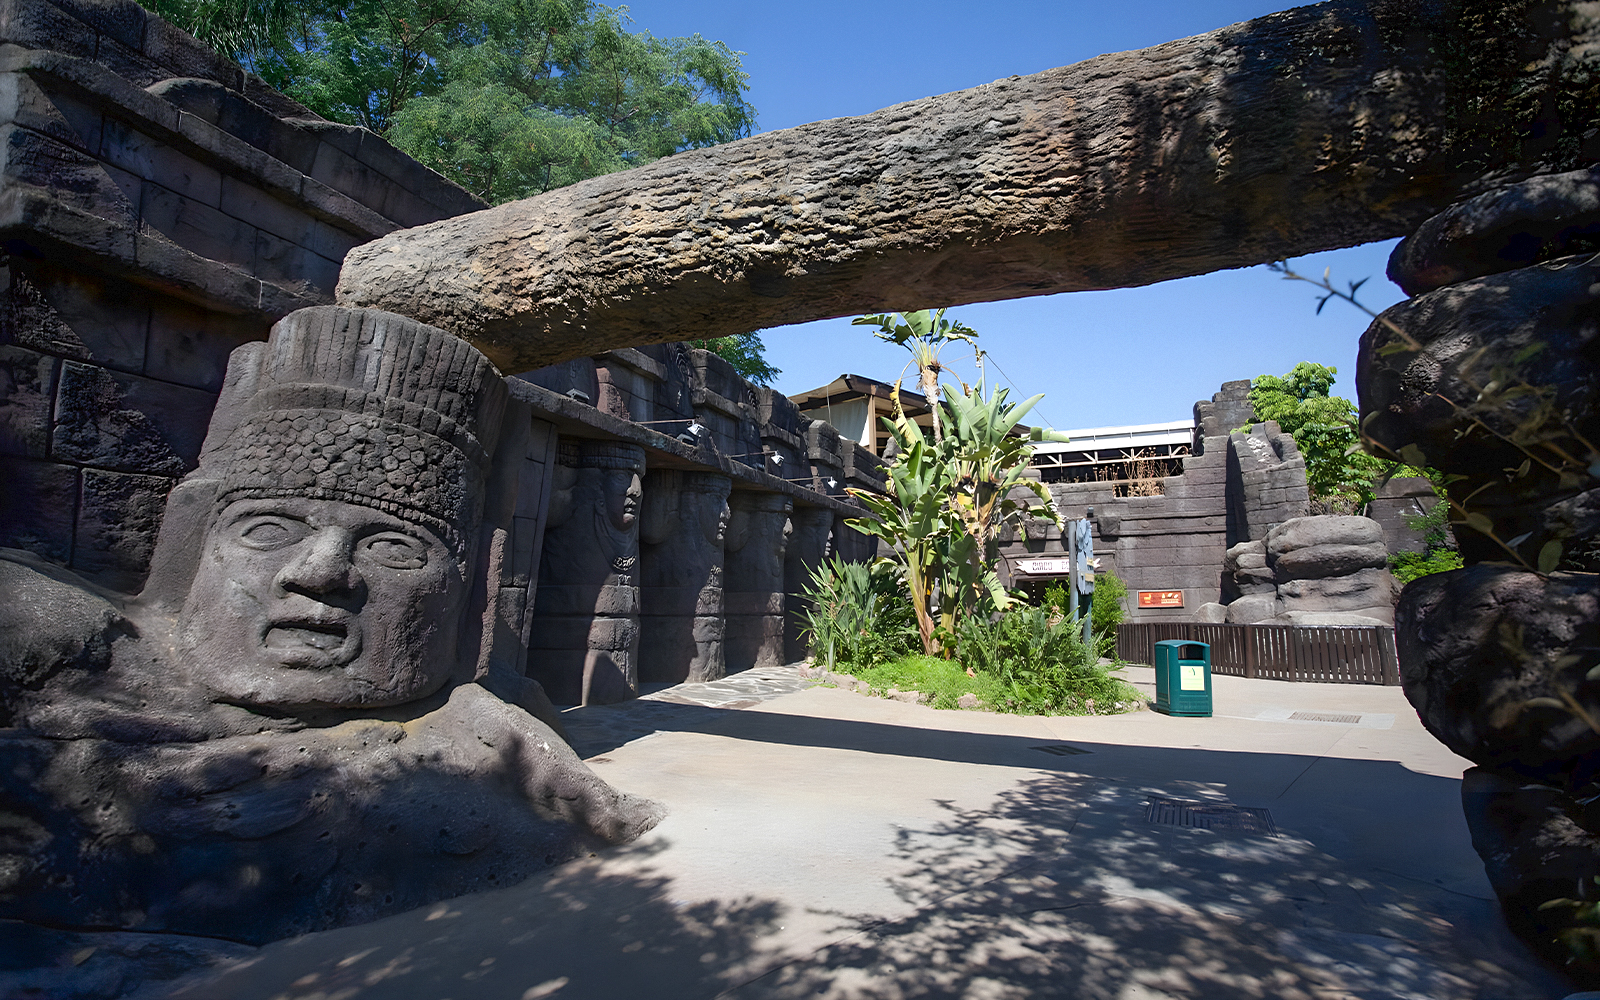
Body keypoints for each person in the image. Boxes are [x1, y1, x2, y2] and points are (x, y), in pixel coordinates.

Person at [0, 306, 662, 945]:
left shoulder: (468, 800)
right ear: (196, 542)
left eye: (393, 547)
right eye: (269, 529)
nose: (320, 574)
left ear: (466, 592)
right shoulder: (53, 636)